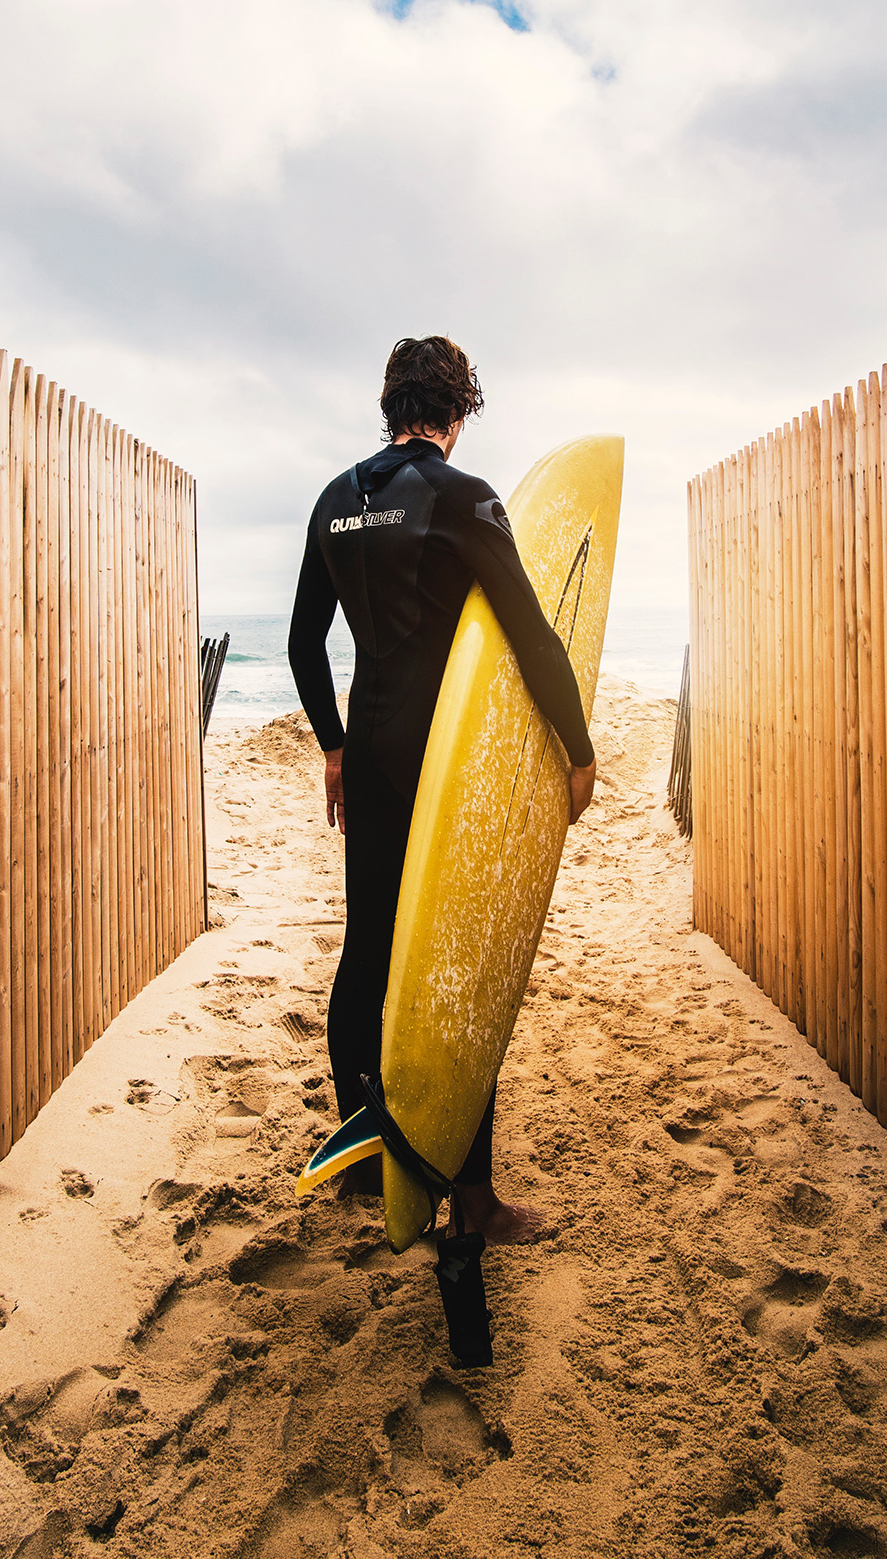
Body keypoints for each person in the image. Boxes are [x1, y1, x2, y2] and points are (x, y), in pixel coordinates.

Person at [288, 336, 597, 1245]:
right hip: (442, 759)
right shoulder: (464, 497)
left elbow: (308, 646)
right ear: (458, 411)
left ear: (392, 406)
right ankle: (473, 1201)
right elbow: (532, 633)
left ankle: (364, 1157)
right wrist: (576, 748)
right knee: (458, 961)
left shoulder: (334, 500)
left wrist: (335, 747)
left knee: (369, 949)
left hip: (373, 744)